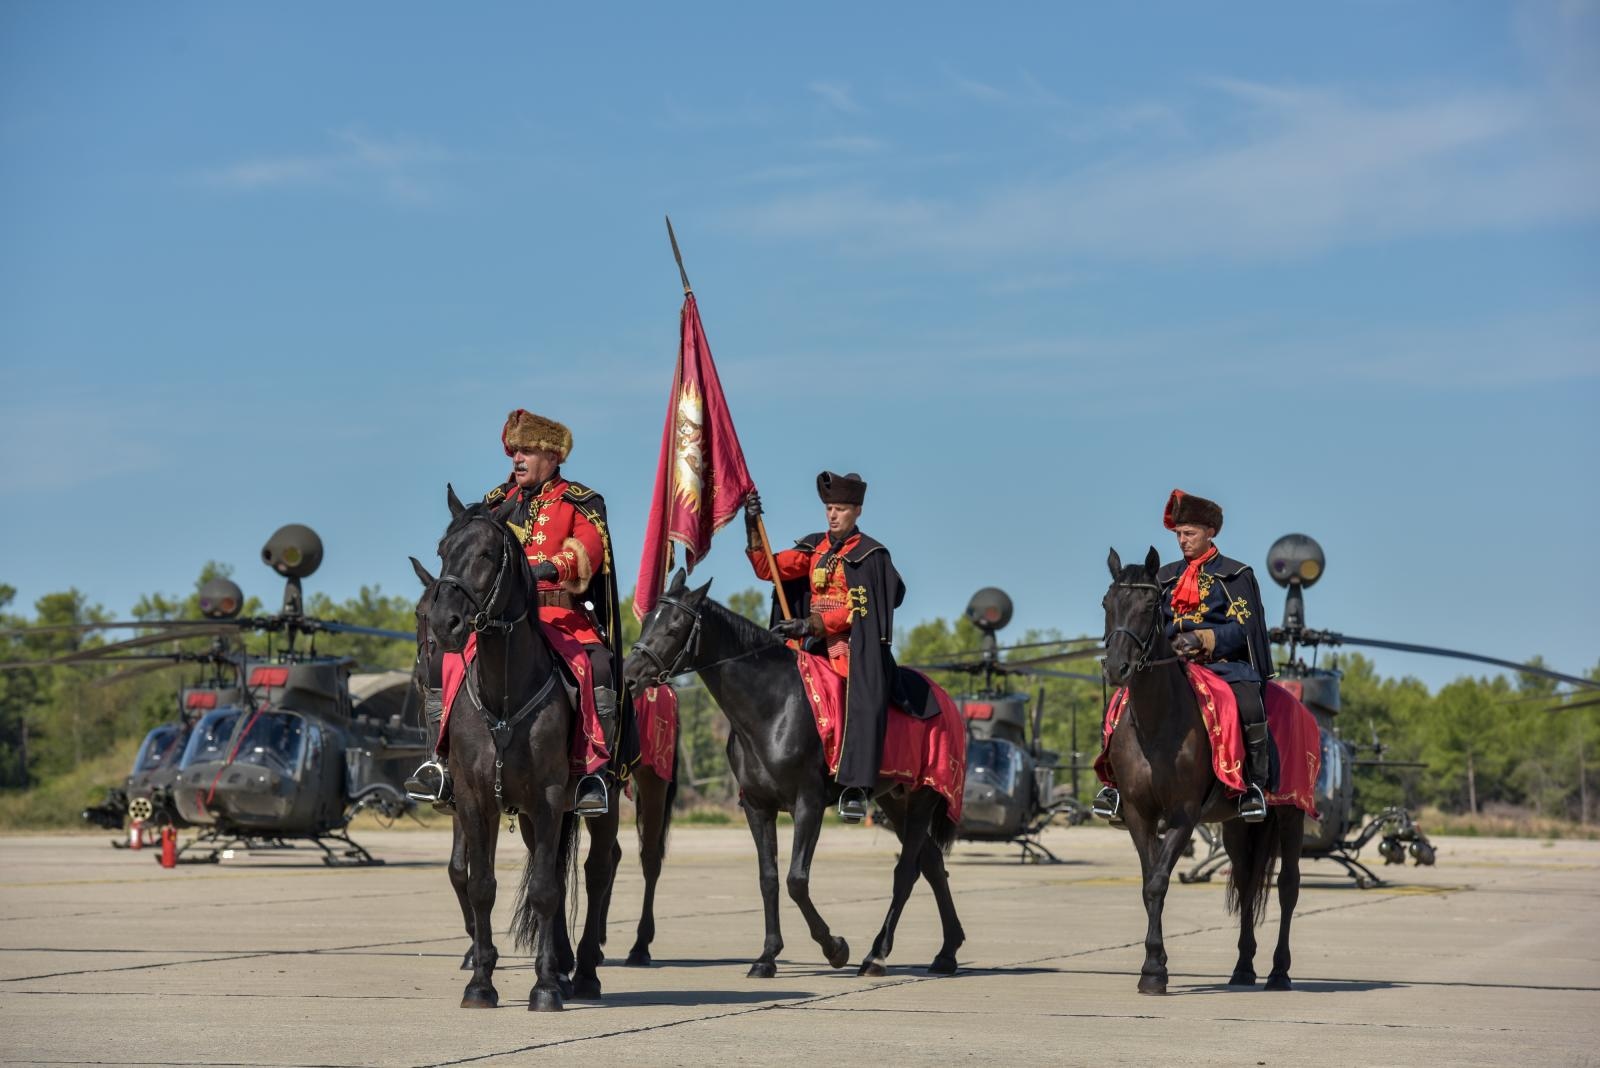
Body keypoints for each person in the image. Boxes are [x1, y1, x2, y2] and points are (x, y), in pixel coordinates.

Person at [407, 408, 630, 817]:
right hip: (497, 618)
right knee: (442, 663)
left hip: (558, 614)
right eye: (514, 451)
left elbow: (588, 552)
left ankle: (591, 772)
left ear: (554, 456)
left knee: (596, 665)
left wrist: (549, 567)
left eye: (527, 450)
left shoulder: (580, 501)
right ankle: (438, 766)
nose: (517, 458)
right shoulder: (494, 504)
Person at [1094, 489, 1276, 823]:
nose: (1182, 541)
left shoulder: (1235, 576)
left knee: (1250, 704)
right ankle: (1117, 787)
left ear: (1210, 532)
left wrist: (1203, 637)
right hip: (1172, 667)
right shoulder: (1164, 577)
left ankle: (1253, 787)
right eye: (1178, 534)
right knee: (1118, 705)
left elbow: (1245, 630)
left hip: (1223, 667)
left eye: (1189, 533)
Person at [745, 471, 905, 823]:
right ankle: (760, 778)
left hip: (850, 649)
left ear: (858, 511)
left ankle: (854, 787)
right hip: (809, 645)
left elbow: (859, 609)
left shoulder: (871, 555)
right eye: (830, 508)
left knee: (855, 699)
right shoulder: (814, 547)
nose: (833, 515)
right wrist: (751, 523)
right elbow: (767, 567)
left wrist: (814, 623)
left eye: (841, 509)